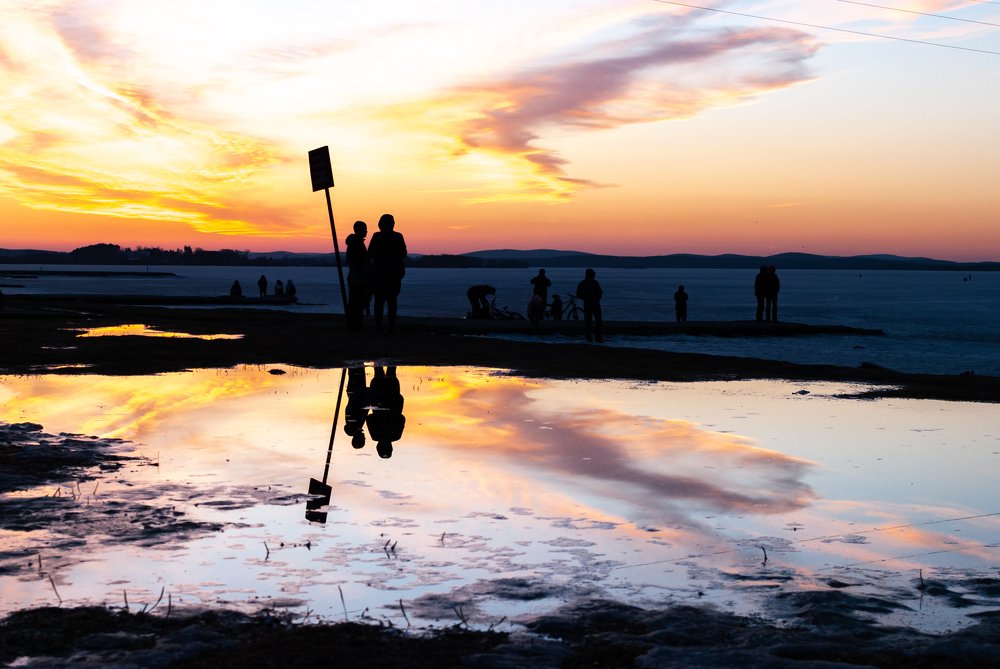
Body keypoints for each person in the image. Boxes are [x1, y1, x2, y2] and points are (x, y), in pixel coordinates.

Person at [367, 213, 407, 332]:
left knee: (379, 301)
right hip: (393, 274)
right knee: (391, 301)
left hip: (380, 274)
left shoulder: (377, 236)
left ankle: (379, 324)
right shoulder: (398, 236)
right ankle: (391, 324)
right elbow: (403, 253)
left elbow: (370, 253)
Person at [366, 366, 405, 459]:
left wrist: (393, 416)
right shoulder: (375, 436)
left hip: (393, 401)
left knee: (391, 372)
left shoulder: (396, 435)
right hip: (379, 402)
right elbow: (369, 418)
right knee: (379, 372)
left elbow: (402, 418)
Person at [345, 220, 371, 331]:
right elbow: (357, 263)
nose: (366, 231)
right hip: (358, 279)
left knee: (356, 303)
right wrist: (365, 275)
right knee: (357, 304)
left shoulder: (356, 243)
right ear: (359, 230)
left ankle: (355, 325)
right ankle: (355, 326)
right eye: (365, 229)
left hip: (355, 277)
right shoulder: (357, 244)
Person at [576, 268, 603, 342]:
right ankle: (598, 337)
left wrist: (585, 298)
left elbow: (578, 294)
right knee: (598, 321)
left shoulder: (582, 283)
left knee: (588, 321)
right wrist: (596, 298)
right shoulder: (595, 283)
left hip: (587, 304)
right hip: (595, 304)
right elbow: (600, 292)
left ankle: (589, 337)